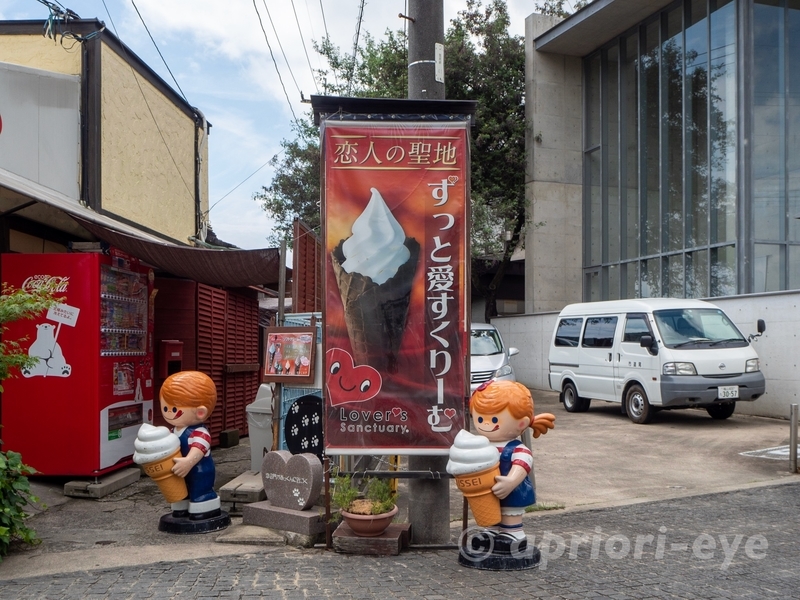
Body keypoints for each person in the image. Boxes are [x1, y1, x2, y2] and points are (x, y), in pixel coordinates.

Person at [469, 380, 555, 541]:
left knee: (509, 513)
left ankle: (513, 535)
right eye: (480, 419)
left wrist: (511, 481)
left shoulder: (516, 448)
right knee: (491, 513)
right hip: (489, 491)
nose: (486, 424)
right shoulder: (482, 444)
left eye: (494, 420)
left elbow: (523, 463)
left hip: (513, 490)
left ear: (522, 422)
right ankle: (491, 532)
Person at [159, 370, 221, 520]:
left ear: (200, 412)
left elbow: (198, 449)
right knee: (180, 492)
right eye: (165, 408)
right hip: (178, 471)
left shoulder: (199, 433)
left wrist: (188, 462)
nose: (168, 413)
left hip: (199, 471)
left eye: (174, 409)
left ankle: (205, 503)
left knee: (199, 489)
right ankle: (182, 507)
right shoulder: (173, 430)